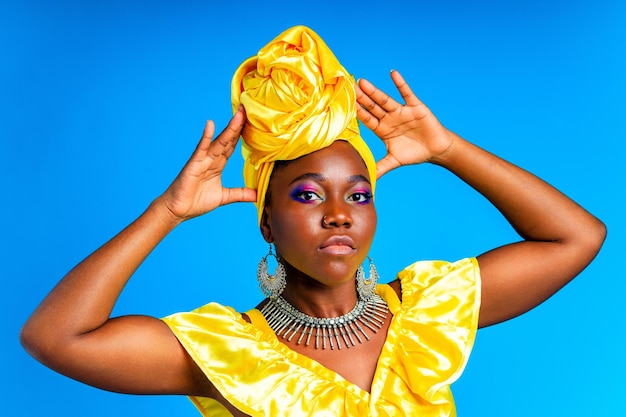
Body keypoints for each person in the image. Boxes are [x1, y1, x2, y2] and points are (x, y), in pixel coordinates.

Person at [20, 26, 605, 417]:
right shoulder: (232, 352)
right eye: (306, 195)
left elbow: (577, 236)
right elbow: (54, 338)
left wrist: (449, 149)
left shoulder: (429, 311)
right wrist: (166, 211)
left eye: (358, 194)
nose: (336, 215)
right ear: (267, 223)